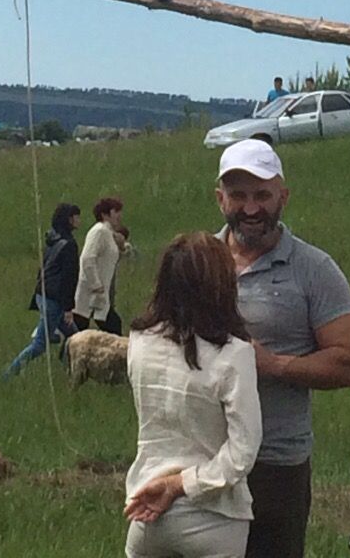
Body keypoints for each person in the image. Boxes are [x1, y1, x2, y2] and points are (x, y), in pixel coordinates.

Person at [214, 139, 350, 558]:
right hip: (201, 459)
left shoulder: (314, 269)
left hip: (275, 465)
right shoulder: (197, 262)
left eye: (262, 195)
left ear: (283, 196)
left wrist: (274, 364)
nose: (250, 208)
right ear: (219, 198)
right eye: (239, 195)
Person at [124, 231, 263, 558]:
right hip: (215, 515)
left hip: (146, 508)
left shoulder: (140, 340)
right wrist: (181, 485)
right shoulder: (234, 354)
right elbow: (243, 452)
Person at [3, 203, 81, 379]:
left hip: (43, 295)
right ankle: (7, 375)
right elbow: (69, 278)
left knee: (75, 338)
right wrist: (69, 308)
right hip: (55, 300)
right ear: (69, 219)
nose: (79, 220)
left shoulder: (52, 240)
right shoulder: (69, 245)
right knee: (39, 345)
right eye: (76, 216)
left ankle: (70, 373)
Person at [73, 197, 127, 335]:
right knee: (111, 325)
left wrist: (121, 247)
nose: (119, 215)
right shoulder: (99, 231)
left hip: (100, 294)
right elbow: (87, 258)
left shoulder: (109, 233)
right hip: (91, 291)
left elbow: (109, 259)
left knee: (80, 329)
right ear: (105, 214)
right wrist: (96, 284)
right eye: (116, 211)